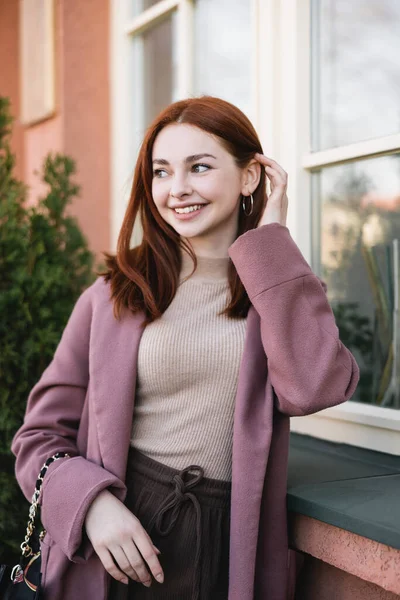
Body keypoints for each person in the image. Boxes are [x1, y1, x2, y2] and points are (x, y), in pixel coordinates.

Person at [11, 95, 359, 600]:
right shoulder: (112, 296)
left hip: (230, 541)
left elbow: (314, 388)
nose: (177, 190)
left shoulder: (279, 290)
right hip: (119, 533)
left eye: (199, 167)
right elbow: (38, 437)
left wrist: (273, 243)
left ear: (249, 177)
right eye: (161, 171)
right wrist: (93, 506)